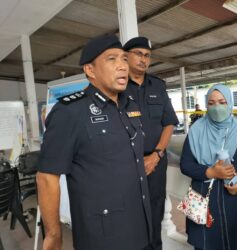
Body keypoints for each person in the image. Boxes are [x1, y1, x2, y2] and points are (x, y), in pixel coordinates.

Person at [36, 34, 152, 250]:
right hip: (103, 236)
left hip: (140, 227)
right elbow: (47, 177)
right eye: (111, 59)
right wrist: (53, 235)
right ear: (90, 70)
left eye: (124, 59)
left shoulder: (130, 107)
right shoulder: (70, 112)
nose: (122, 66)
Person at [180, 84, 237, 250]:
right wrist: (209, 171)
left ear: (229, 103)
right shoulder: (196, 130)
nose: (217, 107)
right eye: (211, 103)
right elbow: (185, 165)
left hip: (236, 202)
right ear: (206, 105)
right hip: (203, 205)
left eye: (222, 102)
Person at [123, 37, 179, 250]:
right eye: (138, 53)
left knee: (155, 209)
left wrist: (156, 155)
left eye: (147, 55)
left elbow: (169, 123)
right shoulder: (116, 85)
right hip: (125, 163)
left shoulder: (158, 85)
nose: (143, 59)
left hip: (155, 162)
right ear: (125, 56)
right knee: (128, 210)